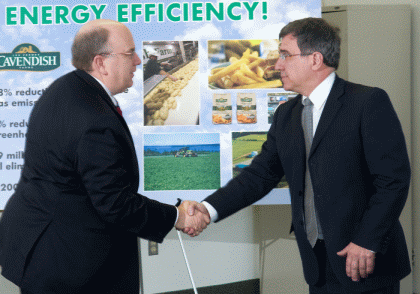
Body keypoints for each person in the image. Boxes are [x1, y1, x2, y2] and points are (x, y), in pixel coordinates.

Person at [187, 17, 411, 293]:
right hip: (317, 262)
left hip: (364, 260)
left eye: (285, 55)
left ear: (315, 59)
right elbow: (260, 175)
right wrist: (208, 210)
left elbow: (393, 181)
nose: (277, 65)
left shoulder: (367, 103)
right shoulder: (286, 115)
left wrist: (367, 241)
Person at [0, 19, 208, 294]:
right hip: (71, 264)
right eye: (129, 53)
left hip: (45, 245)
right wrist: (177, 217)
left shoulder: (66, 89)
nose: (136, 60)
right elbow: (115, 203)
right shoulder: (93, 118)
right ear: (100, 62)